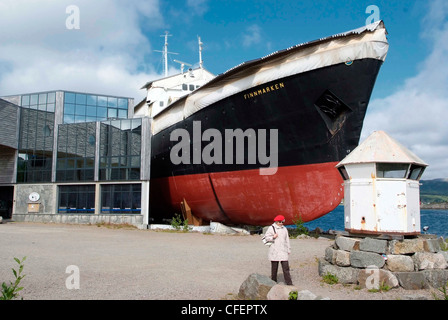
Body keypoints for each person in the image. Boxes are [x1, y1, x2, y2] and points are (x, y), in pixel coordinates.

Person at [264, 214, 293, 285]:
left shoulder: (284, 229)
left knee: (286, 268)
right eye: (279, 222)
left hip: (283, 250)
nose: (281, 223)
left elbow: (287, 240)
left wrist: (288, 249)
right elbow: (266, 237)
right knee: (274, 268)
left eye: (282, 222)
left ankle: (289, 282)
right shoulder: (271, 228)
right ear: (276, 222)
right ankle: (273, 281)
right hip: (274, 250)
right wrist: (273, 237)